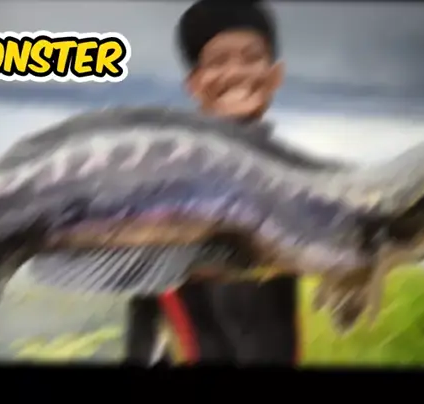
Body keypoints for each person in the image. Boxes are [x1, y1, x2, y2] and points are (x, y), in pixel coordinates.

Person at [125, 0, 302, 365]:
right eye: (217, 61)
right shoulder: (169, 176)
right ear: (194, 84)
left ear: (275, 75)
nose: (236, 72)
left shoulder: (293, 176)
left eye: (252, 58)